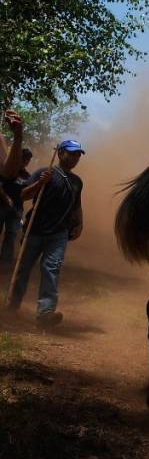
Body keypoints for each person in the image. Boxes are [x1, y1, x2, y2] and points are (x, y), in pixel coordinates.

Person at [6, 140, 85, 326]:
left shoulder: (77, 182)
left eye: (77, 155)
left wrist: (79, 224)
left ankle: (45, 312)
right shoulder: (43, 172)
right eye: (71, 153)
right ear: (60, 154)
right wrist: (40, 183)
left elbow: (76, 205)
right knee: (23, 269)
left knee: (51, 269)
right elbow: (24, 195)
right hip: (35, 231)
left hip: (59, 234)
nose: (74, 158)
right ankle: (12, 305)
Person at [0, 147, 32, 275]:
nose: (25, 161)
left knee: (11, 235)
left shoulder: (28, 177)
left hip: (17, 209)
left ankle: (5, 263)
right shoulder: (7, 170)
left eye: (27, 159)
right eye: (23, 158)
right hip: (1, 206)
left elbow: (27, 193)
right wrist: (6, 198)